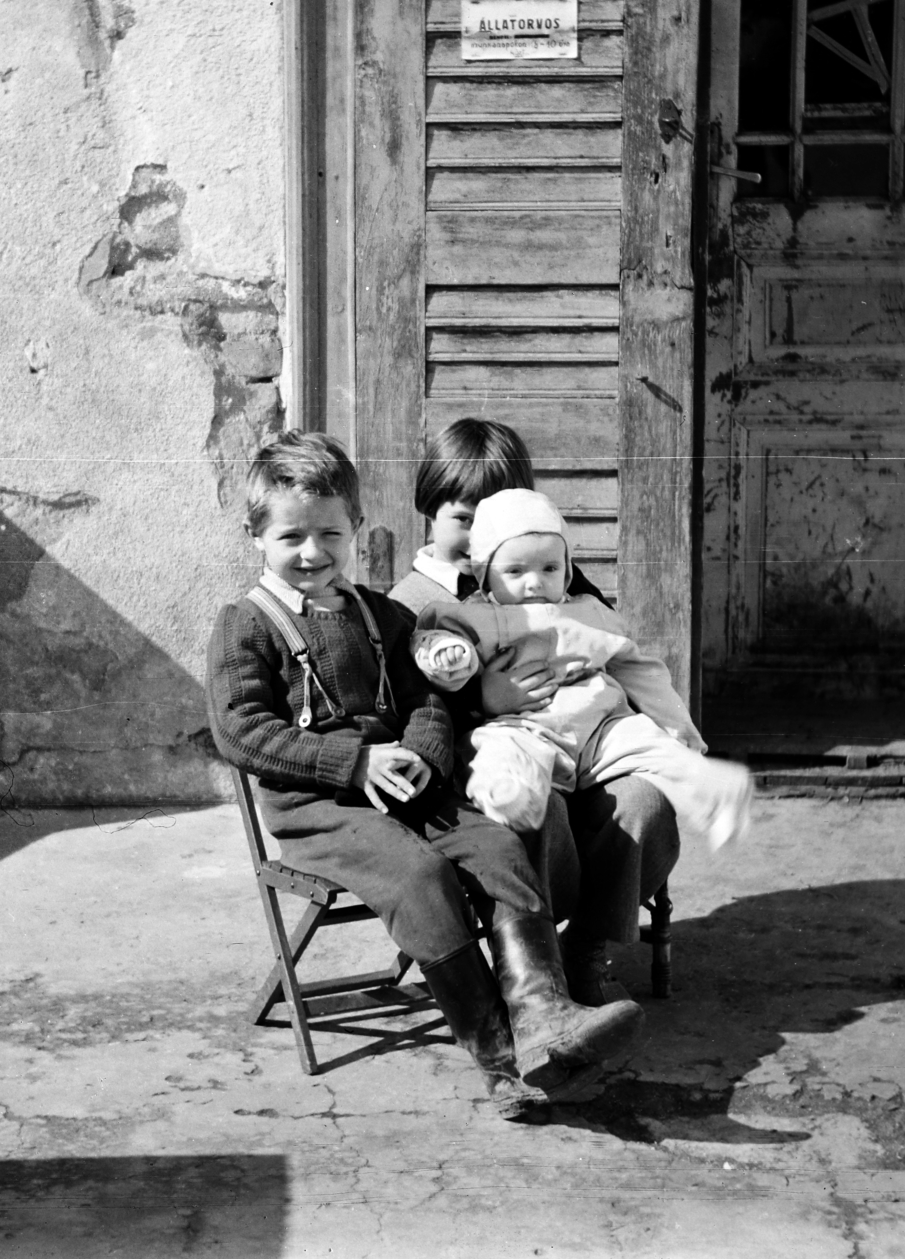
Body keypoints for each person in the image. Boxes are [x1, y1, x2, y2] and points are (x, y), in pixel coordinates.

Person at [205, 431, 642, 1118]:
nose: (313, 553)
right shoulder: (246, 625)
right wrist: (353, 761)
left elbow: (427, 700)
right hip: (321, 810)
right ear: (254, 534)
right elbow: (241, 731)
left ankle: (543, 1016)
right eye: (292, 537)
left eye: (330, 533)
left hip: (406, 785)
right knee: (422, 878)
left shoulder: (383, 614)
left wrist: (424, 752)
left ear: (354, 527)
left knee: (497, 843)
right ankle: (501, 1064)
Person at [388, 419, 685, 1007]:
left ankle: (588, 949)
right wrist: (479, 699)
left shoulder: (555, 580)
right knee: (534, 804)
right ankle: (535, 961)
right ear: (430, 509)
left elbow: (611, 646)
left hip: (584, 752)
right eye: (464, 519)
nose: (483, 535)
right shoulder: (412, 603)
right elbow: (405, 706)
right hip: (489, 775)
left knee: (646, 801)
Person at [410, 488, 753, 849]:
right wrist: (449, 655)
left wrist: (677, 729)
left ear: (567, 569)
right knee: (495, 748)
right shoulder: (472, 614)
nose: (535, 582)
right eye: (514, 570)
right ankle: (511, 795)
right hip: (528, 727)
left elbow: (638, 668)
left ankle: (713, 791)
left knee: (651, 745)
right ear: (485, 575)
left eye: (550, 568)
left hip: (601, 726)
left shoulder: (589, 610)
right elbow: (432, 641)